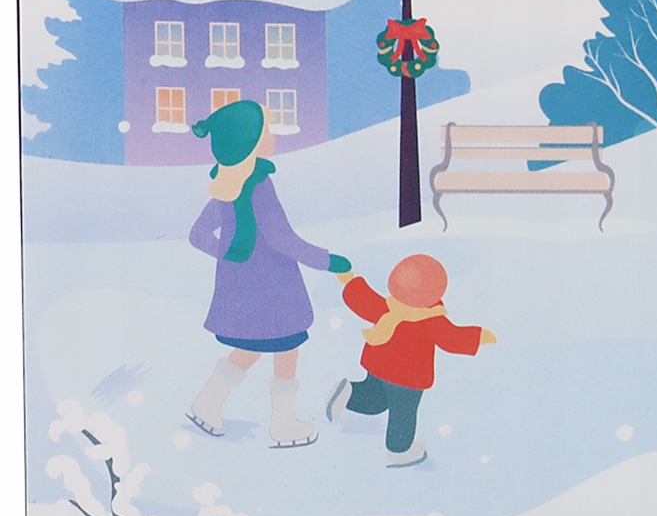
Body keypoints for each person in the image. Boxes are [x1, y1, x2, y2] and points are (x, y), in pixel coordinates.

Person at [186, 99, 349, 446]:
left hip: (244, 292)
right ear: (250, 143)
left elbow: (198, 235)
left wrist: (232, 259)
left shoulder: (227, 184)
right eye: (267, 132)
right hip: (274, 290)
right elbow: (282, 239)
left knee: (251, 348)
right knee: (286, 350)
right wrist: (328, 260)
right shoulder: (259, 185)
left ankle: (207, 404)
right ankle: (283, 424)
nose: (272, 137)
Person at [325, 254, 495, 467]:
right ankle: (400, 450)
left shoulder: (388, 306)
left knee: (376, 400)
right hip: (407, 378)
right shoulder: (432, 319)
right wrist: (479, 337)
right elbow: (452, 338)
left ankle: (350, 393)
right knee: (402, 413)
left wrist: (349, 279)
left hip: (377, 364)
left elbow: (363, 300)